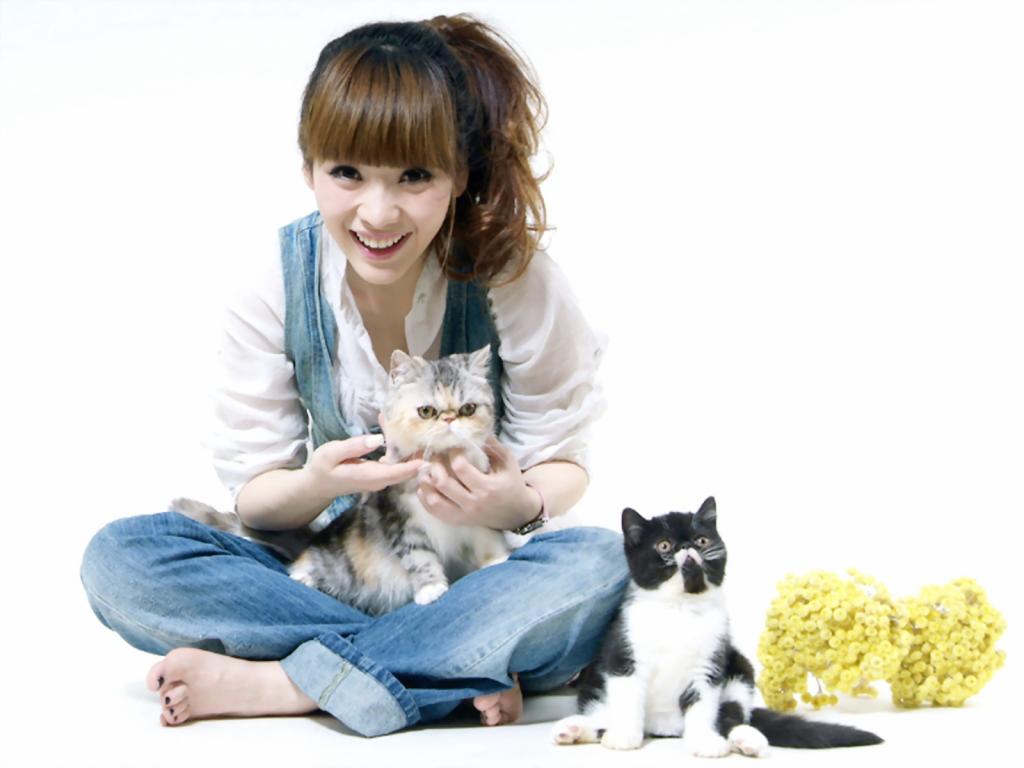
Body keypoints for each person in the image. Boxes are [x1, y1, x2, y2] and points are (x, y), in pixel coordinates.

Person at [80, 14, 628, 738]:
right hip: (346, 566)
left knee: (601, 563)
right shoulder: (274, 282)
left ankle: (287, 682)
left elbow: (563, 460)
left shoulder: (514, 276)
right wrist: (317, 483)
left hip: (479, 570)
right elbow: (258, 499)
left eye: (415, 177)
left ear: (459, 176)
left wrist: (516, 501)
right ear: (308, 168)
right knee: (122, 559)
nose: (377, 212)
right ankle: (461, 661)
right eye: (347, 173)